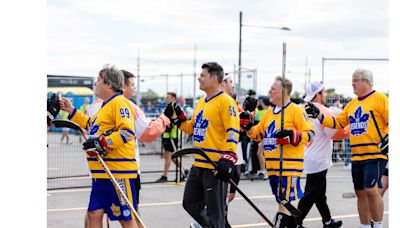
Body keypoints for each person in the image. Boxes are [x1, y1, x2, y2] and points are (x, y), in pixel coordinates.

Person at [305, 68, 388, 228]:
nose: (352, 83)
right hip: (356, 156)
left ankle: (377, 225)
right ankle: (364, 225)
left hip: (375, 154)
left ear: (366, 81)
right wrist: (319, 115)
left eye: (355, 80)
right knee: (360, 192)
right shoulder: (351, 104)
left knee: (372, 190)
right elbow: (337, 123)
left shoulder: (380, 99)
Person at [60, 65, 140, 228]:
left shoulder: (120, 103)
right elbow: (92, 126)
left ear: (109, 85)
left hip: (118, 173)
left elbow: (127, 132)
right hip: (102, 174)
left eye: (98, 80)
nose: (95, 83)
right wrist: (72, 111)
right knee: (93, 214)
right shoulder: (104, 106)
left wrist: (103, 143)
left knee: (125, 218)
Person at [164, 62, 240, 228]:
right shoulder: (201, 102)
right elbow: (192, 128)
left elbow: (233, 131)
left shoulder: (226, 102)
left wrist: (228, 157)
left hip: (215, 166)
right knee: (189, 203)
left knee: (216, 214)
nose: (199, 78)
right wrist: (178, 118)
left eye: (203, 75)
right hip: (198, 164)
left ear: (213, 78)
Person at [241, 76, 313, 227]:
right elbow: (257, 134)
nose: (269, 92)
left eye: (273, 89)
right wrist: (248, 126)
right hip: (272, 168)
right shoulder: (269, 113)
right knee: (282, 202)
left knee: (284, 203)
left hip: (289, 167)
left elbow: (310, 134)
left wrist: (293, 136)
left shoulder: (296, 110)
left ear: (284, 91)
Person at [296, 81, 343, 228]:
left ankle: (327, 221)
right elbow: (331, 132)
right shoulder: (321, 112)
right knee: (311, 194)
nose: (326, 94)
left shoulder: (303, 109)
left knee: (319, 194)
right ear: (318, 94)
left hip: (310, 154)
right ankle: (295, 222)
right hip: (319, 158)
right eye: (324, 92)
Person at [221, 73, 245, 228]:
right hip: (225, 155)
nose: (233, 86)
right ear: (222, 83)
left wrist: (248, 115)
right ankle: (217, 219)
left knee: (231, 194)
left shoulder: (234, 104)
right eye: (230, 82)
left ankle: (219, 216)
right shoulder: (224, 103)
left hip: (237, 154)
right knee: (223, 193)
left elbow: (244, 126)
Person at [155, 92, 188, 183]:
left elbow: (180, 120)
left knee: (168, 156)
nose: (166, 99)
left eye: (168, 97)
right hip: (166, 134)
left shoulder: (176, 108)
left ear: (173, 98)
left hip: (172, 135)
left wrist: (171, 124)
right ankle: (184, 171)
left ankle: (164, 176)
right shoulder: (167, 107)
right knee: (172, 157)